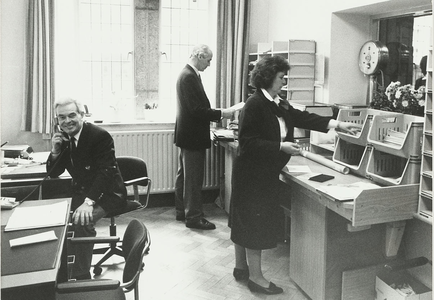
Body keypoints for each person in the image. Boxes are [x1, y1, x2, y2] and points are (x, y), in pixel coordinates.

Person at [229, 56, 361, 295]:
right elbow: (247, 144)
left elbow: (302, 117)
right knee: (252, 222)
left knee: (245, 220)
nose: (284, 82)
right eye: (281, 78)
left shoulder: (277, 102)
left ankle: (241, 267)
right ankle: (256, 279)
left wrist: (338, 125)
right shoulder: (254, 104)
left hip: (263, 172)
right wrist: (280, 147)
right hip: (252, 175)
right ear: (268, 78)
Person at [47, 97, 127, 280]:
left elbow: (105, 174)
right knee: (60, 219)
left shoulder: (99, 136)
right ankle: (62, 271)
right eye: (61, 117)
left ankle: (81, 277)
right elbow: (54, 172)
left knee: (81, 221)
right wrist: (55, 151)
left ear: (82, 115)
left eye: (72, 115)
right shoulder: (66, 138)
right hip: (83, 192)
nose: (67, 121)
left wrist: (88, 202)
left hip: (108, 194)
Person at [174, 44, 235, 230]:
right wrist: (222, 113)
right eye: (208, 60)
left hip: (187, 134)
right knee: (192, 179)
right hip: (192, 136)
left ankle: (182, 211)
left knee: (184, 176)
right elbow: (196, 110)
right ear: (199, 56)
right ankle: (193, 217)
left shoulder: (188, 74)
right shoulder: (188, 77)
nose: (209, 64)